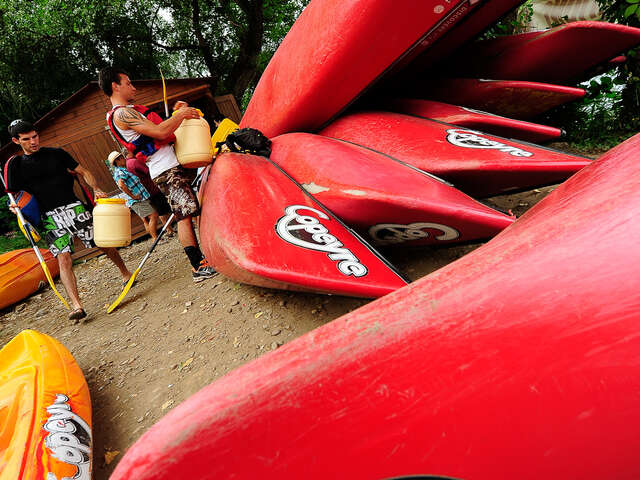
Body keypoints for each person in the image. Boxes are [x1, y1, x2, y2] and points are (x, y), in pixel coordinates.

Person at [98, 66, 216, 282]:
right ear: (115, 86)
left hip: (170, 164)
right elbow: (161, 132)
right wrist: (180, 115)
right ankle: (198, 266)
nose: (133, 87)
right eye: (128, 83)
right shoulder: (123, 113)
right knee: (184, 216)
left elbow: (161, 128)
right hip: (165, 169)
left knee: (190, 211)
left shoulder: (129, 111)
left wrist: (175, 114)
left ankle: (207, 256)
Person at [7, 119, 132, 321]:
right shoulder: (16, 166)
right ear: (16, 141)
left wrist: (96, 188)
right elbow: (15, 196)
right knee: (63, 258)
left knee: (102, 244)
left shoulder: (57, 153)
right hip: (49, 218)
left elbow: (85, 172)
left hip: (74, 208)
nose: (33, 141)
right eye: (26, 139)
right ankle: (77, 306)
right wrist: (15, 207)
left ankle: (125, 272)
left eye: (35, 136)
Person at [107, 150, 162, 241]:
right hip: (137, 200)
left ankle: (154, 238)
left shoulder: (122, 170)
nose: (123, 159)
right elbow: (121, 185)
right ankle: (155, 239)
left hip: (139, 198)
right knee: (153, 215)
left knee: (146, 219)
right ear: (117, 161)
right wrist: (133, 196)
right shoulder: (120, 171)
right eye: (121, 158)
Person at [124, 154, 175, 237]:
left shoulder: (127, 165)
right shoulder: (134, 161)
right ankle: (168, 230)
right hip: (151, 188)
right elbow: (148, 171)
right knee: (162, 210)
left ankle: (167, 230)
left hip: (144, 192)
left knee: (149, 217)